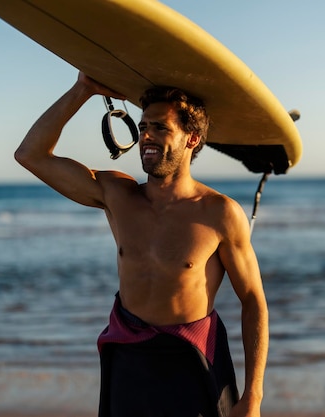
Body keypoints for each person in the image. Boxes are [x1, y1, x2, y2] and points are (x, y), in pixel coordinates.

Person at [14, 72, 269, 417]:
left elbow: (253, 300)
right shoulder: (118, 194)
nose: (146, 135)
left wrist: (253, 396)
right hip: (128, 354)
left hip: (191, 358)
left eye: (160, 127)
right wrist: (83, 89)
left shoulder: (219, 213)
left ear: (192, 139)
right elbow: (31, 154)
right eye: (144, 125)